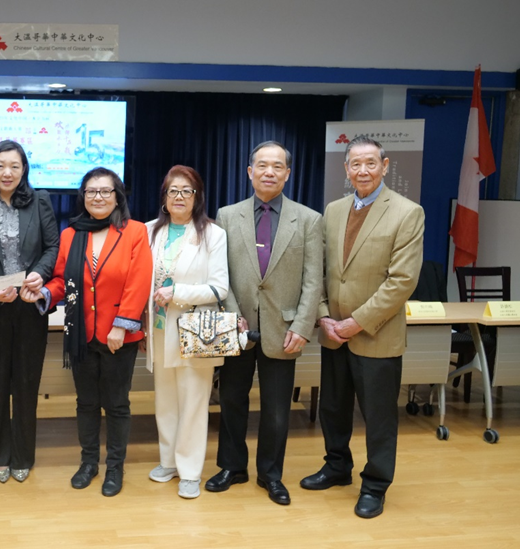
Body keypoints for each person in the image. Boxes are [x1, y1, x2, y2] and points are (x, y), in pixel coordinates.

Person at [300, 136, 424, 519]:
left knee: (379, 417)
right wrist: (324, 315)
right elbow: (320, 270)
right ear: (346, 169)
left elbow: (402, 281)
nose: (363, 170)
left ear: (385, 166)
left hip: (375, 334)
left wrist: (356, 323)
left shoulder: (407, 212)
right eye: (355, 164)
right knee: (333, 409)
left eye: (371, 163)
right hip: (333, 333)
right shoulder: (334, 210)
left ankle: (375, 485)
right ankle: (337, 466)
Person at [20, 167, 152, 497]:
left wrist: (122, 325)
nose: (98, 197)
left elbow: (138, 281)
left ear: (117, 197)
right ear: (83, 197)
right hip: (81, 334)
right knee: (86, 403)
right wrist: (43, 293)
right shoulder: (71, 234)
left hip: (118, 336)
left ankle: (115, 467)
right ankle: (89, 462)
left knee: (117, 404)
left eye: (105, 191)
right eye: (91, 191)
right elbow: (63, 280)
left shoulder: (134, 231)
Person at [207, 141, 323, 506]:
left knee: (276, 411)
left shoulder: (308, 219)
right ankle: (232, 467)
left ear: (288, 173)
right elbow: (220, 272)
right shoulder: (227, 216)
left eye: (277, 166)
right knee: (231, 401)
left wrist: (302, 326)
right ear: (250, 171)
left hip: (284, 330)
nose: (269, 172)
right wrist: (232, 313)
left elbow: (313, 280)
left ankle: (270, 474)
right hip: (237, 327)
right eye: (262, 165)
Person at [0, 140, 60, 483]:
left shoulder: (40, 201)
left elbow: (52, 247)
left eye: (14, 166)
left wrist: (41, 273)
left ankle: (22, 455)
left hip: (30, 306)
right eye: (0, 165)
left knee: (26, 383)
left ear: (24, 170)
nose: (7, 172)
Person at [143, 165, 230, 499]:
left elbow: (219, 288)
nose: (179, 196)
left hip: (195, 330)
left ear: (197, 196)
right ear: (164, 197)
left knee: (193, 402)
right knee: (165, 400)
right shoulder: (149, 231)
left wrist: (177, 292)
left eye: (186, 191)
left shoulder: (213, 234)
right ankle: (168, 461)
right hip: (159, 329)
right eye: (173, 190)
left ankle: (190, 471)